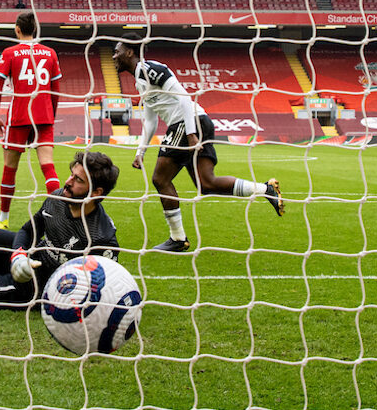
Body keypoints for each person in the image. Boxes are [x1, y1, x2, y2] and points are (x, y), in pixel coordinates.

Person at [112, 38, 283, 252]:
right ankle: (265, 189)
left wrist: (191, 134)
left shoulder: (151, 69)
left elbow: (184, 98)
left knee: (160, 178)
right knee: (206, 183)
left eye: (117, 51)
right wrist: (141, 151)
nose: (113, 56)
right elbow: (151, 120)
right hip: (197, 122)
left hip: (187, 124)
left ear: (129, 52)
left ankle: (177, 238)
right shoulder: (140, 82)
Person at [0, 151, 120, 308]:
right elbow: (28, 231)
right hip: (30, 259)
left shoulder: (102, 239)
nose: (68, 182)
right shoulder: (58, 198)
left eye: (78, 179)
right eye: (71, 174)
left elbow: (97, 291)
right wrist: (19, 256)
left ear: (96, 192)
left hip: (36, 287)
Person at [0, 10, 62, 230]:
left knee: (10, 168)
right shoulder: (50, 53)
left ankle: (3, 219)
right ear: (36, 29)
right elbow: (56, 90)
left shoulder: (10, 52)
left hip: (19, 116)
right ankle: (60, 219)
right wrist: (51, 115)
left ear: (17, 29)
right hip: (44, 117)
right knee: (48, 166)